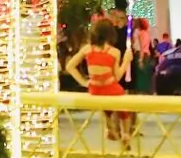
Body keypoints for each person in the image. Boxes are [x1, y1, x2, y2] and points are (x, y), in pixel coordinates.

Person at [65, 20, 133, 148]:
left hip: (94, 88)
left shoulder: (87, 49)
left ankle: (109, 127)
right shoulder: (114, 52)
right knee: (123, 105)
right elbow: (117, 77)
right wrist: (126, 61)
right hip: (110, 88)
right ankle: (125, 133)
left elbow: (70, 66)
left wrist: (84, 82)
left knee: (103, 103)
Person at [128, 18, 159, 94]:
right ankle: (147, 92)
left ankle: (142, 92)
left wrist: (140, 60)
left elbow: (142, 47)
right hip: (146, 55)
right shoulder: (146, 33)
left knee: (141, 76)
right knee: (145, 75)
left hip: (141, 55)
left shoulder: (140, 33)